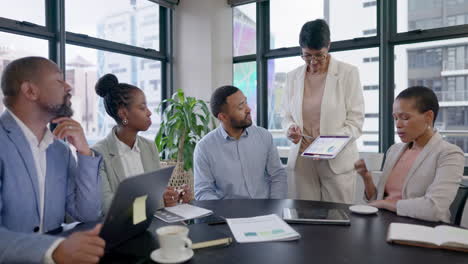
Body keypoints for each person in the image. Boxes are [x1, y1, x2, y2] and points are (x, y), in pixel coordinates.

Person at [0, 57, 105, 263]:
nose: (69, 87)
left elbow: (88, 213)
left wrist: (84, 152)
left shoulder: (60, 150)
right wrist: (53, 249)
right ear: (30, 91)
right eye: (59, 80)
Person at [283, 19, 365, 203]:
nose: (313, 62)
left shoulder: (348, 73)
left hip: (336, 161)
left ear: (328, 46)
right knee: (305, 216)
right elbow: (286, 115)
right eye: (307, 55)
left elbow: (355, 122)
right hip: (303, 160)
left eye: (319, 55)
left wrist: (329, 146)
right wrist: (290, 128)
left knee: (338, 217)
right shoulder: (292, 77)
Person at [354, 86, 464, 223]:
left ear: (429, 117)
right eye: (395, 118)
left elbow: (435, 209)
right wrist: (366, 177)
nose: (398, 125)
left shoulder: (449, 154)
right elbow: (377, 201)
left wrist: (386, 204)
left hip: (422, 230)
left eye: (405, 117)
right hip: (385, 223)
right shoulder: (394, 150)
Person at [92, 74, 191, 214]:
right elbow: (107, 206)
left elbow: (158, 197)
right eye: (142, 107)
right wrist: (155, 199)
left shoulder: (149, 147)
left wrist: (172, 198)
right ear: (123, 113)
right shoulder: (99, 153)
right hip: (120, 232)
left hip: (151, 226)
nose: (149, 113)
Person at [194, 85, 287, 200]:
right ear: (223, 117)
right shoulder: (204, 148)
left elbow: (277, 175)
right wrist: (224, 214)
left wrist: (274, 207)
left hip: (267, 212)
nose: (248, 109)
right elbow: (203, 191)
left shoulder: (264, 136)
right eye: (240, 107)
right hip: (228, 214)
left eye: (246, 102)